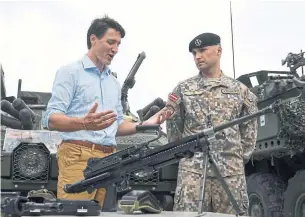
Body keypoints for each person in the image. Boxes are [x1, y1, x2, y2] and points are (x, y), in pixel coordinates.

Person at [42, 15, 170, 208]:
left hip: (110, 160)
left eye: (118, 44)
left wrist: (144, 125)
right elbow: (51, 119)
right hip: (78, 157)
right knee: (76, 213)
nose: (115, 49)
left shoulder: (113, 83)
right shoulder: (70, 72)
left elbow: (117, 125)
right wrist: (84, 123)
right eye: (111, 42)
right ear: (93, 39)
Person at [164, 32, 258, 215]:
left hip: (230, 174)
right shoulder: (183, 89)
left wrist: (235, 157)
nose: (198, 56)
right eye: (194, 53)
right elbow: (173, 127)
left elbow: (249, 129)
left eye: (202, 50)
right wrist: (186, 157)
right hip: (193, 174)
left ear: (219, 51)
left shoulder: (240, 90)